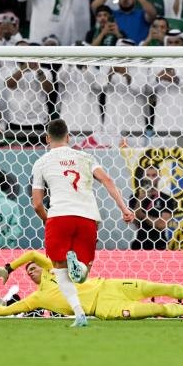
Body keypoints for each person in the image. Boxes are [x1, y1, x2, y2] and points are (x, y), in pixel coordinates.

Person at [29, 119, 135, 327]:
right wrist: (124, 208)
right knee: (82, 275)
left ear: (47, 138)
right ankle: (79, 269)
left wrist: (47, 221)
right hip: (87, 217)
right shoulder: (85, 157)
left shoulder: (41, 162)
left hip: (59, 217)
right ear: (68, 137)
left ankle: (79, 314)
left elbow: (37, 204)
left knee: (60, 271)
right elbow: (107, 180)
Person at [0, 250, 183, 320]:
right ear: (29, 279)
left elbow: (32, 254)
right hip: (104, 308)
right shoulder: (37, 298)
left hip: (110, 286)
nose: (31, 269)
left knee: (157, 287)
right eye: (28, 271)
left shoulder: (54, 269)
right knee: (155, 309)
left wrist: (9, 267)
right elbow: (8, 310)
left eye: (33, 267)